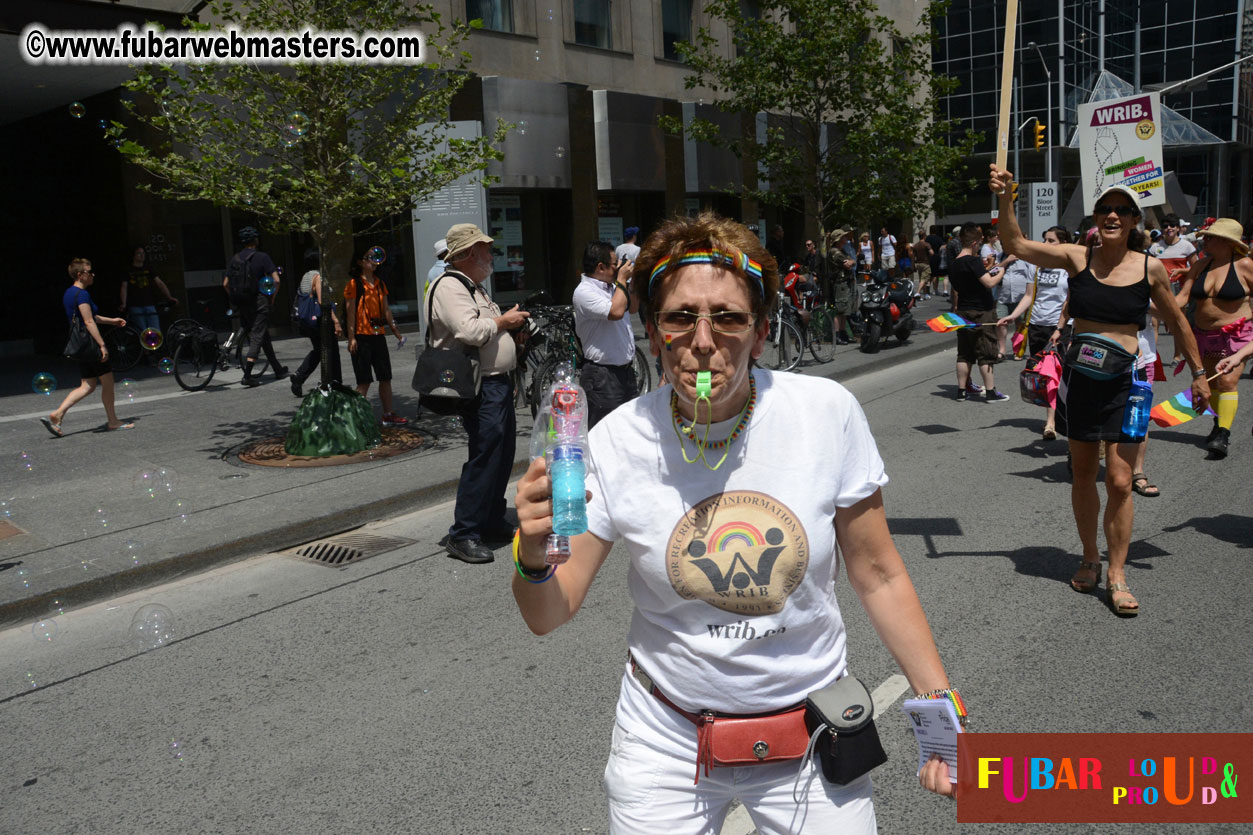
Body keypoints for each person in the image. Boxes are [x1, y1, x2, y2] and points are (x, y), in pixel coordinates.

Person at [512, 212, 959, 833]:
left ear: (761, 330)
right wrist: (533, 555)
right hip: (666, 742)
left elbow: (879, 574)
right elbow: (547, 612)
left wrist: (938, 708)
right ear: (651, 332)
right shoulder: (616, 441)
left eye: (727, 317)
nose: (702, 341)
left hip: (811, 736)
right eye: (679, 318)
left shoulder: (824, 413)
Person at [991, 166, 1209, 617]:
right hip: (1081, 382)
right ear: (1095, 217)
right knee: (1085, 474)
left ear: (1134, 220)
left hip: (1129, 384)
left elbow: (1177, 321)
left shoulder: (1150, 267)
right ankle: (1090, 557)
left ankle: (1118, 573)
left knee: (1121, 480)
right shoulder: (1077, 258)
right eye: (1105, 208)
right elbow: (1017, 245)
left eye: (1121, 210)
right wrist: (1006, 196)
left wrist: (1199, 373)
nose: (1112, 215)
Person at [429, 223, 530, 564]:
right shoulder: (450, 285)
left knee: (502, 454)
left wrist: (513, 332)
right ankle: (464, 533)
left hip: (496, 383)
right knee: (485, 456)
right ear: (470, 253)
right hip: (479, 386)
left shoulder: (474, 287)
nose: (490, 254)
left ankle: (489, 518)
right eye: (485, 249)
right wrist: (505, 322)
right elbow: (469, 331)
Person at [1173, 218, 1253, 459]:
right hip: (1203, 336)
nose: (1204, 240)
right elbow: (1182, 299)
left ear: (1227, 242)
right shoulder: (1200, 265)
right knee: (1213, 384)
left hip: (1236, 336)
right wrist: (1150, 305)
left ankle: (1223, 435)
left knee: (1227, 381)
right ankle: (1219, 424)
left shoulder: (1245, 265)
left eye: (1210, 237)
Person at [41, 258, 134, 436]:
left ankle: (58, 415)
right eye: (89, 272)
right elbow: (89, 321)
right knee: (107, 382)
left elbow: (91, 317)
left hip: (82, 346)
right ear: (80, 275)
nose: (93, 275)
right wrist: (102, 345)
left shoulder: (69, 293)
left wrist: (112, 321)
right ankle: (113, 421)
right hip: (91, 345)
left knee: (88, 385)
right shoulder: (82, 294)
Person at [998, 225, 1072, 438]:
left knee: (1058, 374)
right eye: (1044, 240)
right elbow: (1029, 296)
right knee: (1043, 375)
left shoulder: (1069, 267)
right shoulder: (1036, 265)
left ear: (1063, 243)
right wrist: (1013, 316)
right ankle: (1053, 418)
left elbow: (1070, 300)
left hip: (1059, 327)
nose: (1045, 244)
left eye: (1051, 240)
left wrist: (1061, 327)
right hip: (1037, 325)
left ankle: (1053, 422)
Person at [572, 240, 639, 427]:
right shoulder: (584, 292)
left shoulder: (613, 287)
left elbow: (633, 308)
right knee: (604, 430)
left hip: (625, 372)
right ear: (600, 267)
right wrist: (622, 280)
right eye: (614, 264)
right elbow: (615, 312)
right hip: (602, 376)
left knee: (629, 429)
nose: (618, 267)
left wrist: (632, 282)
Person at [344, 245, 407, 427]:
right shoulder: (354, 284)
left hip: (378, 335)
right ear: (359, 262)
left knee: (385, 377)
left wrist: (396, 332)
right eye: (368, 257)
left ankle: (388, 414)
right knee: (364, 380)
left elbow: (386, 310)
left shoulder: (380, 284)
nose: (373, 261)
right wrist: (351, 338)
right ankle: (356, 421)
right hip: (361, 337)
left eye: (374, 257)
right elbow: (350, 313)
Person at [948, 222, 1009, 401]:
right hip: (981, 311)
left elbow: (966, 283)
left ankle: (961, 391)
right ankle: (990, 392)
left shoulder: (954, 263)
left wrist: (988, 268)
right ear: (974, 243)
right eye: (979, 244)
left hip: (963, 310)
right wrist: (1002, 270)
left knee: (964, 353)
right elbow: (989, 283)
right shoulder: (973, 261)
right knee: (986, 351)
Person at [224, 226, 287, 387]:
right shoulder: (262, 257)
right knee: (258, 336)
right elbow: (277, 280)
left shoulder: (235, 259)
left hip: (243, 304)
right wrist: (271, 298)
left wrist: (236, 298)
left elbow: (225, 284)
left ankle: (278, 369)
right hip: (259, 302)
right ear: (255, 240)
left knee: (263, 335)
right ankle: (247, 375)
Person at [290, 250, 343, 397]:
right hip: (321, 321)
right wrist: (336, 320)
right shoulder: (317, 277)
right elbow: (322, 301)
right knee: (332, 349)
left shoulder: (305, 277)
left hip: (309, 322)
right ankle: (336, 382)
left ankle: (299, 376)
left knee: (319, 350)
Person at [119, 245, 177, 333]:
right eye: (139, 253)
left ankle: (154, 342)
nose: (142, 255)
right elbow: (124, 287)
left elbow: (160, 283)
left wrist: (169, 297)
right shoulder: (128, 270)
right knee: (142, 332)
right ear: (133, 255)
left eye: (143, 253)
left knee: (155, 330)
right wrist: (123, 303)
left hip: (149, 303)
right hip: (135, 304)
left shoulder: (148, 268)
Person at [826, 228, 857, 344]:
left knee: (845, 310)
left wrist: (852, 261)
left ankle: (843, 333)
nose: (846, 238)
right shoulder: (835, 252)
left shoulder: (842, 251)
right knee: (840, 310)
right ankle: (837, 335)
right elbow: (848, 264)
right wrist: (852, 261)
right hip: (840, 283)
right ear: (838, 239)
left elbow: (851, 261)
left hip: (845, 283)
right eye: (843, 237)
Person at [912, 231, 934, 299]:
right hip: (925, 264)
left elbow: (913, 257)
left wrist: (913, 265)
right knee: (923, 280)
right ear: (924, 236)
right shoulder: (926, 244)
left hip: (918, 264)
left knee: (921, 279)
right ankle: (918, 292)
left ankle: (925, 294)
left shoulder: (915, 245)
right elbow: (932, 253)